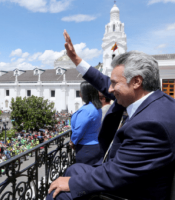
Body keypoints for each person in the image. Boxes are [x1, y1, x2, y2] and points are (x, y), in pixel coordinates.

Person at [47, 30, 175, 200]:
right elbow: (104, 81)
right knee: (74, 169)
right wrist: (76, 60)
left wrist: (71, 184)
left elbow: (115, 174)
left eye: (115, 83)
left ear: (136, 81)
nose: (110, 90)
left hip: (134, 190)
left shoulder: (151, 124)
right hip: (130, 173)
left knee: (59, 193)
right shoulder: (156, 99)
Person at [69, 81, 102, 164]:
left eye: (81, 92)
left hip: (86, 148)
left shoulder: (86, 110)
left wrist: (73, 141)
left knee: (84, 173)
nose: (80, 94)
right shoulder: (96, 107)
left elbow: (79, 131)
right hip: (95, 145)